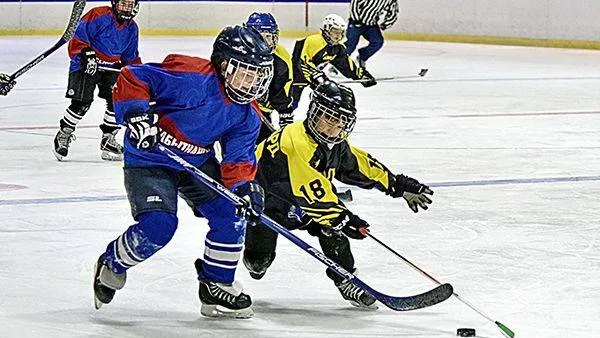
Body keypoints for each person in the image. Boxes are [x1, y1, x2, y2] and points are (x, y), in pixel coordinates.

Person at [92, 25, 274, 319]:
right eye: (246, 72)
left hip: (196, 162)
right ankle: (113, 262)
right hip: (150, 158)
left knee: (232, 212)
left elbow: (238, 158)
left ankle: (216, 283)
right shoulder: (191, 77)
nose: (252, 82)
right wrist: (138, 114)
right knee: (159, 227)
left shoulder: (247, 114)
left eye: (258, 75)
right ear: (224, 65)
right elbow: (133, 76)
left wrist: (244, 187)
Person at [243, 80, 433, 309]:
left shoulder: (335, 144)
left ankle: (346, 279)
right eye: (329, 118)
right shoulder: (295, 143)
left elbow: (360, 167)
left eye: (341, 121)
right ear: (313, 112)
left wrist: (398, 185)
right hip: (268, 206)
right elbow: (315, 196)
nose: (334, 127)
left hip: (304, 204)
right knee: (258, 263)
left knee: (331, 230)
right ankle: (256, 261)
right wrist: (345, 219)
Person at [53, 0, 142, 161]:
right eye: (123, 4)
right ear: (115, 3)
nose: (127, 8)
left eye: (130, 4)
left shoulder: (132, 28)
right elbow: (79, 38)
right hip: (85, 64)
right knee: (81, 103)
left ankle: (108, 139)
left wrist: (137, 74)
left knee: (117, 101)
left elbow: (130, 56)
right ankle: (64, 133)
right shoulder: (99, 15)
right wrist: (86, 53)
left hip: (112, 67)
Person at [290, 14, 376, 111]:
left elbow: (347, 66)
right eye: (335, 31)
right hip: (295, 76)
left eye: (341, 32)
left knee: (330, 99)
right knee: (290, 103)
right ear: (326, 29)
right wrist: (318, 78)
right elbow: (302, 63)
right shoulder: (314, 41)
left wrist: (361, 75)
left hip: (313, 76)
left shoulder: (338, 48)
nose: (338, 36)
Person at [244, 12, 294, 143]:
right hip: (234, 108)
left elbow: (283, 88)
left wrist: (285, 113)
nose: (265, 42)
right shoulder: (238, 52)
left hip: (261, 113)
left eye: (268, 37)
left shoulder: (280, 56)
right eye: (260, 37)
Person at [345, 0, 400, 67]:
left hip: (371, 25)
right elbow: (355, 3)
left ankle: (362, 57)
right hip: (355, 23)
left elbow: (393, 13)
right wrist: (356, 19)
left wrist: (386, 24)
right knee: (350, 45)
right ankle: (338, 62)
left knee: (378, 42)